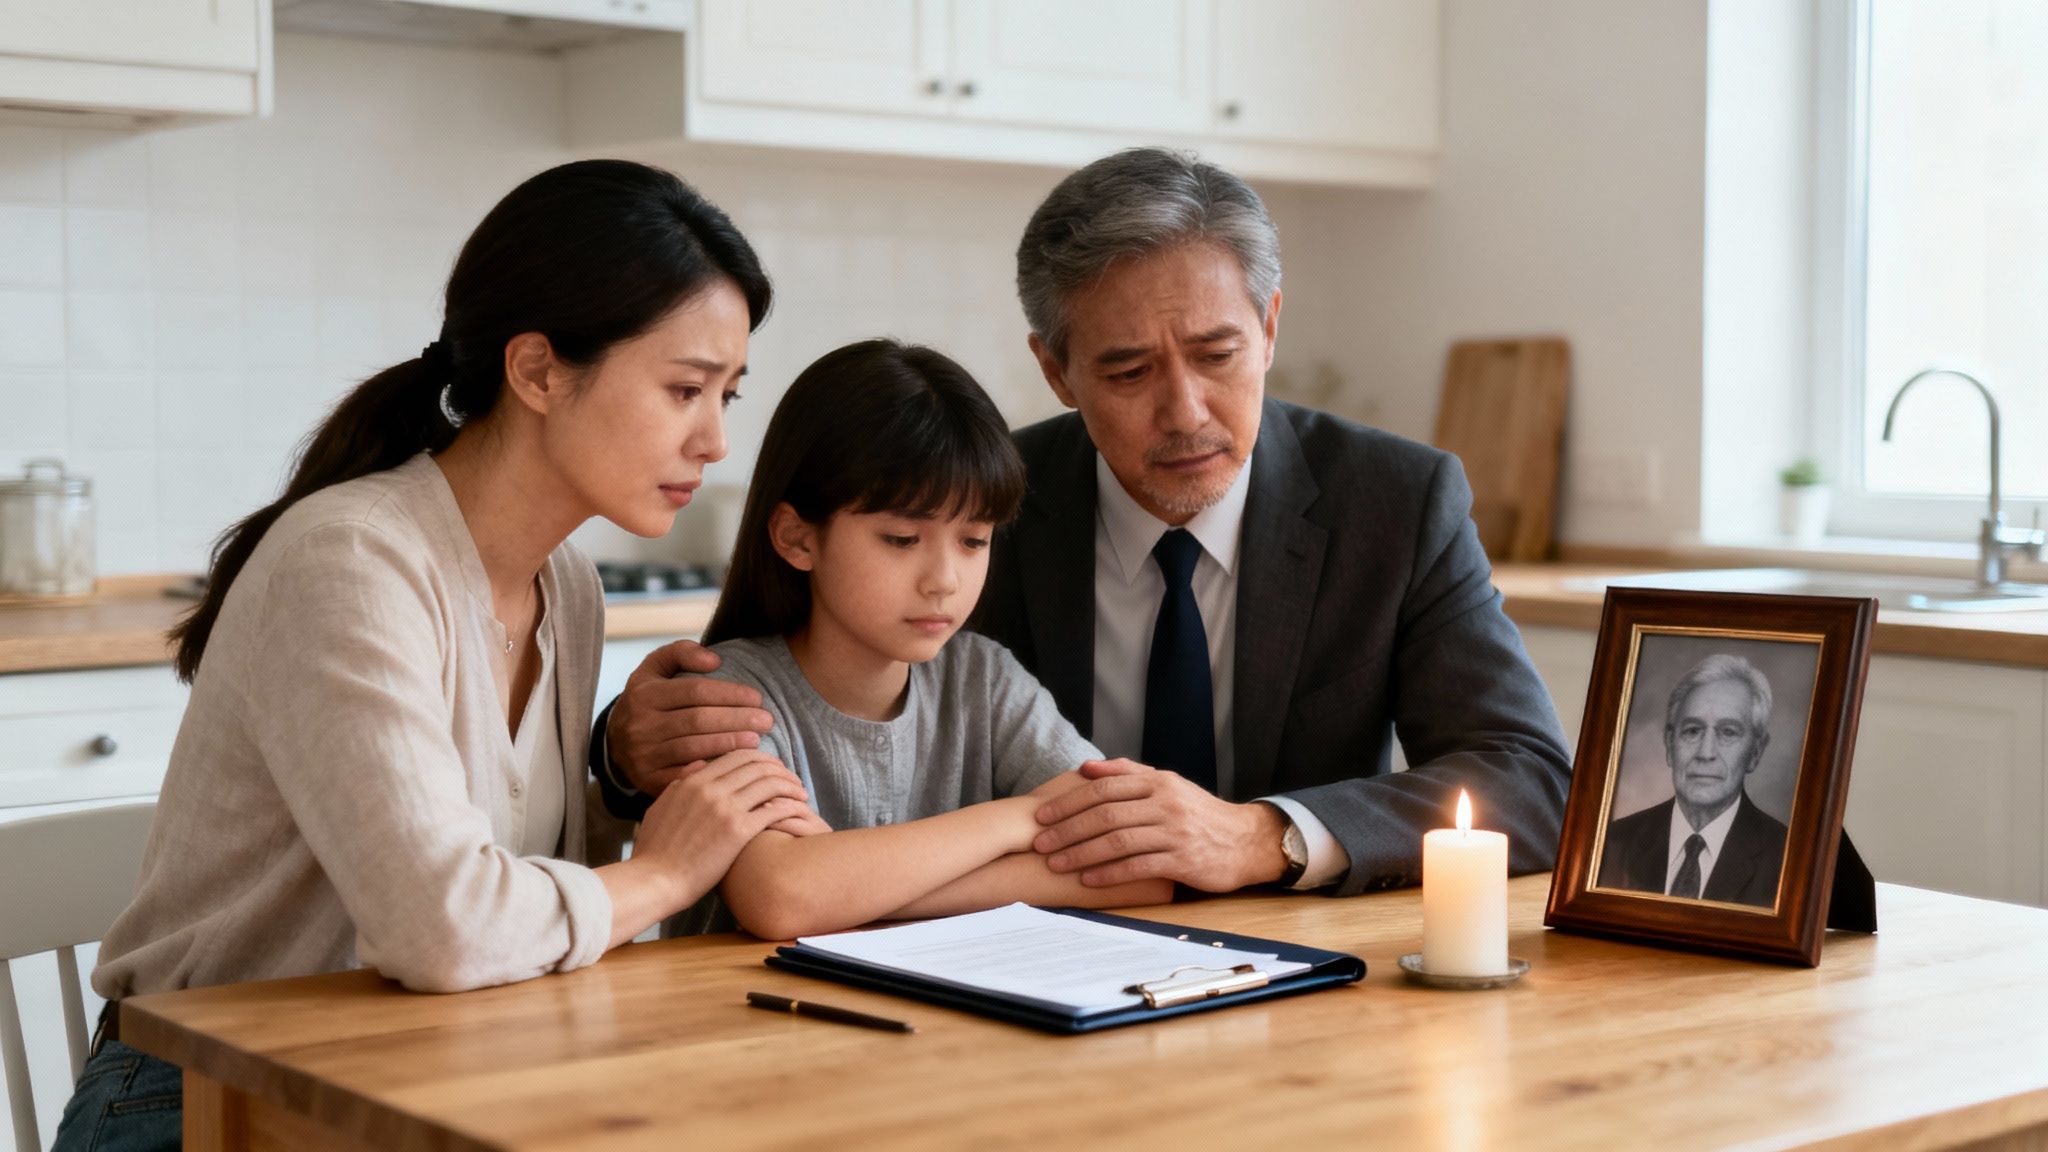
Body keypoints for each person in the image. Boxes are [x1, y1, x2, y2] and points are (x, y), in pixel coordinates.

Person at [54, 160, 810, 1152]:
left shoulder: (563, 584)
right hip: (202, 1101)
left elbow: (523, 905)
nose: (713, 439)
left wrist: (614, 774)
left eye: (728, 396)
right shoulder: (352, 560)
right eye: (683, 390)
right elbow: (447, 928)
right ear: (537, 369)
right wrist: (667, 873)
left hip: (427, 1069)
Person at [593, 147, 1572, 899]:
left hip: (1301, 974)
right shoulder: (974, 508)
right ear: (1055, 370)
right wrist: (622, 750)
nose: (1184, 409)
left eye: (1216, 352)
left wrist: (1262, 835)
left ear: (1269, 327)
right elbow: (790, 728)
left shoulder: (1394, 501)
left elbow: (1529, 781)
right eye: (1127, 371)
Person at [672, 339, 1172, 939]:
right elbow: (784, 895)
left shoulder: (983, 679)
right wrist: (1013, 822)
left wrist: (857, 895)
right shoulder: (725, 697)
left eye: (973, 541)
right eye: (902, 540)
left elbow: (1141, 867)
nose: (945, 582)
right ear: (798, 539)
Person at [1596, 654, 1789, 906]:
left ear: (1755, 752)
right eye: (1692, 731)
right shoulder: (1613, 844)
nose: (1705, 753)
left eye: (1728, 732)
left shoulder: (1789, 860)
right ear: (1669, 743)